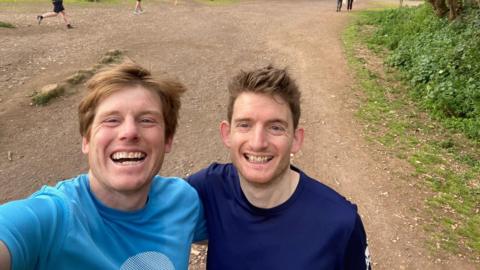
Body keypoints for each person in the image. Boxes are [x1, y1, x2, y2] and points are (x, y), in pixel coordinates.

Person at [0, 62, 206, 270]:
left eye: (146, 120)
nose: (129, 132)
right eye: (111, 120)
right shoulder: (53, 220)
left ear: (167, 139)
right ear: (86, 141)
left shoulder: (182, 200)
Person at [188, 65, 372, 269]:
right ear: (227, 133)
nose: (258, 143)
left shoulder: (341, 223)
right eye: (245, 125)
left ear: (296, 139)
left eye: (275, 127)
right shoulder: (209, 187)